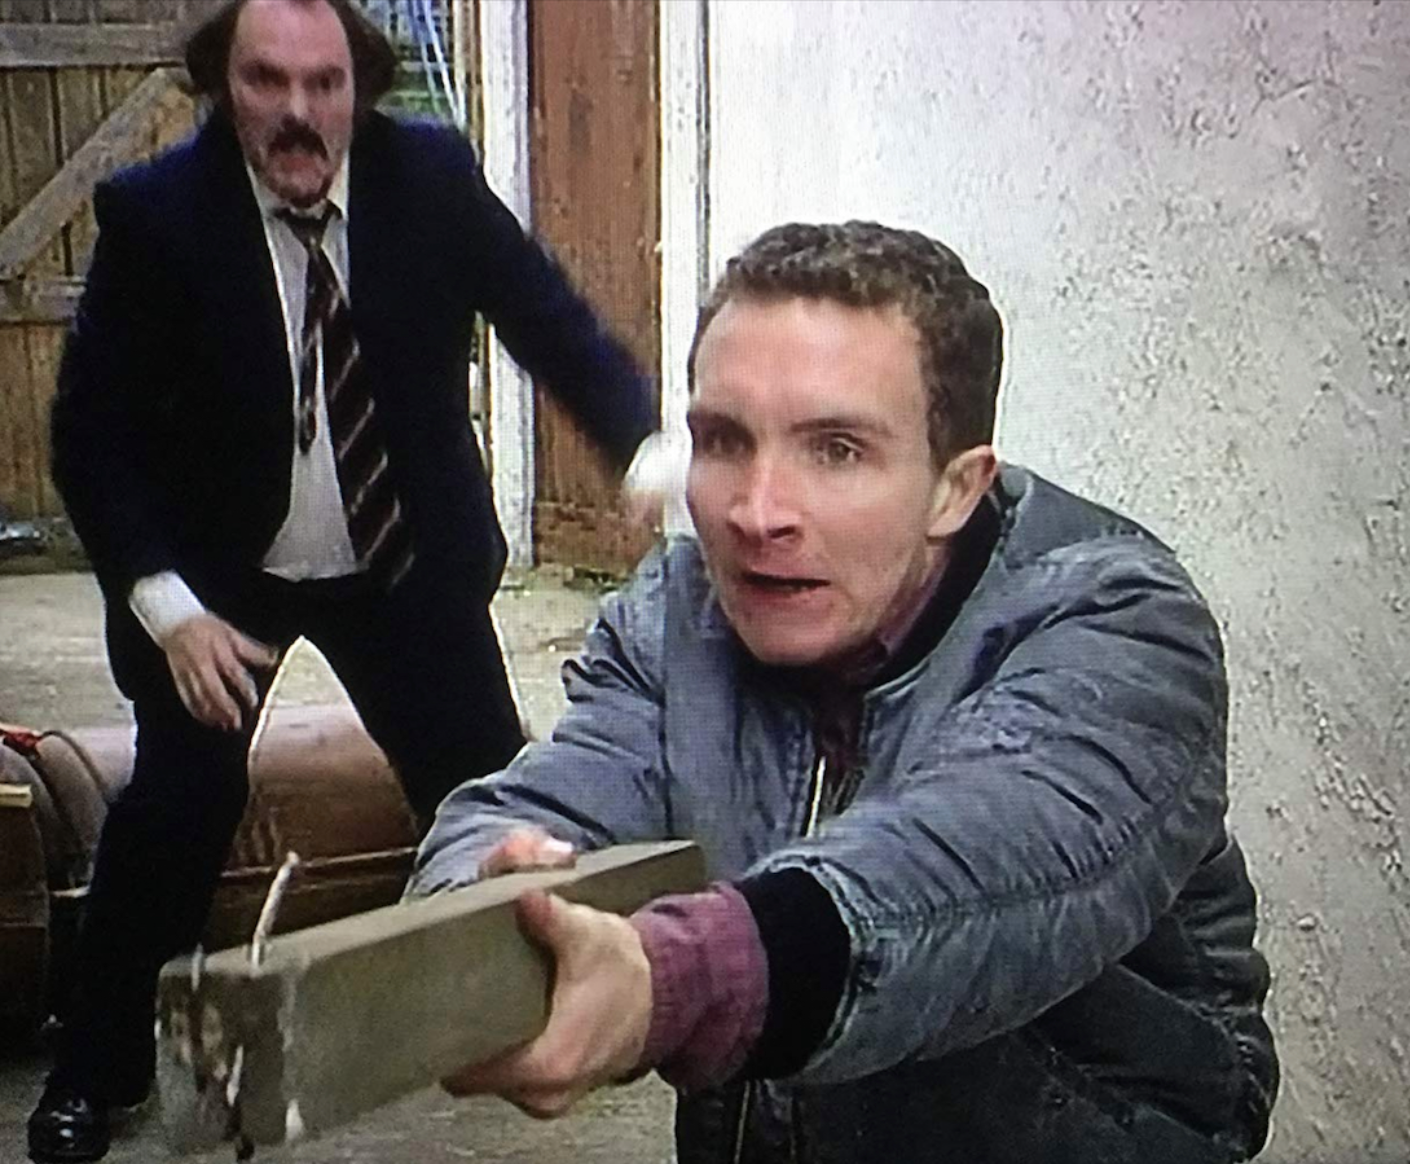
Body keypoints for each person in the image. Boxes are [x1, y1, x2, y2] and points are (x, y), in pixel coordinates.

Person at [408, 221, 1280, 1163]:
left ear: (957, 486)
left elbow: (963, 875)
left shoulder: (1119, 622)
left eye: (836, 450)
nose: (757, 512)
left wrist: (673, 977)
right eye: (723, 440)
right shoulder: (676, 617)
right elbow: (548, 803)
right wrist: (487, 911)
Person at [28, 1, 657, 1160]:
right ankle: (93, 1068)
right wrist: (168, 611)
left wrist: (641, 441)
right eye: (268, 82)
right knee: (178, 809)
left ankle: (524, 1016)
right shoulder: (157, 215)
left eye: (326, 84)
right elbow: (91, 436)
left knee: (489, 788)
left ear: (359, 85)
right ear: (225, 82)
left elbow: (545, 315)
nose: (301, 113)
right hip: (223, 584)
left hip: (399, 561)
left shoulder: (431, 176)